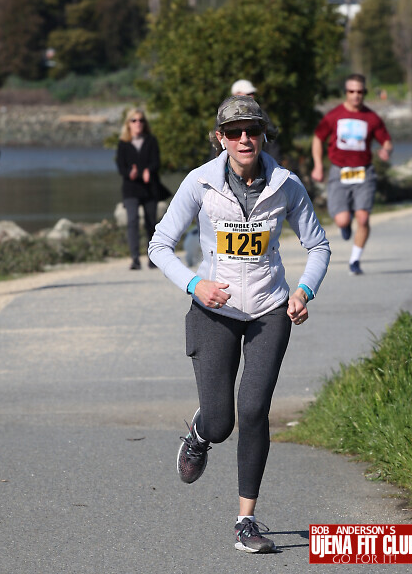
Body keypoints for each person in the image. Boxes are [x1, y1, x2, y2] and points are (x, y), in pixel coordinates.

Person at [148, 95, 330, 554]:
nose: (244, 139)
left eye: (252, 130)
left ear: (263, 135)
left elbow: (318, 246)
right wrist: (195, 285)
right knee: (221, 422)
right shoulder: (200, 183)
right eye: (234, 132)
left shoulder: (286, 185)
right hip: (214, 312)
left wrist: (303, 291)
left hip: (270, 309)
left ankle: (245, 521)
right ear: (220, 138)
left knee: (253, 411)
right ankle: (201, 433)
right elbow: (159, 245)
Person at [311, 73, 392, 276]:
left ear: (364, 92)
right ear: (346, 92)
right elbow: (318, 138)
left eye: (359, 91)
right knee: (342, 220)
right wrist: (318, 166)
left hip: (364, 172)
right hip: (339, 171)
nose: (356, 95)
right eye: (351, 91)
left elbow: (386, 141)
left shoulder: (372, 118)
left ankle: (355, 260)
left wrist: (386, 150)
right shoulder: (334, 115)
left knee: (363, 219)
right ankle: (345, 226)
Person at [116, 108, 167, 270]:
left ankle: (153, 258)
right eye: (134, 120)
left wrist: (148, 171)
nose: (138, 123)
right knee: (132, 221)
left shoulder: (151, 140)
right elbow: (120, 166)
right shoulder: (123, 143)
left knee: (151, 222)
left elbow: (156, 162)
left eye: (141, 120)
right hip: (131, 188)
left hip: (149, 188)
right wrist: (129, 173)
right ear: (128, 124)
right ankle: (135, 258)